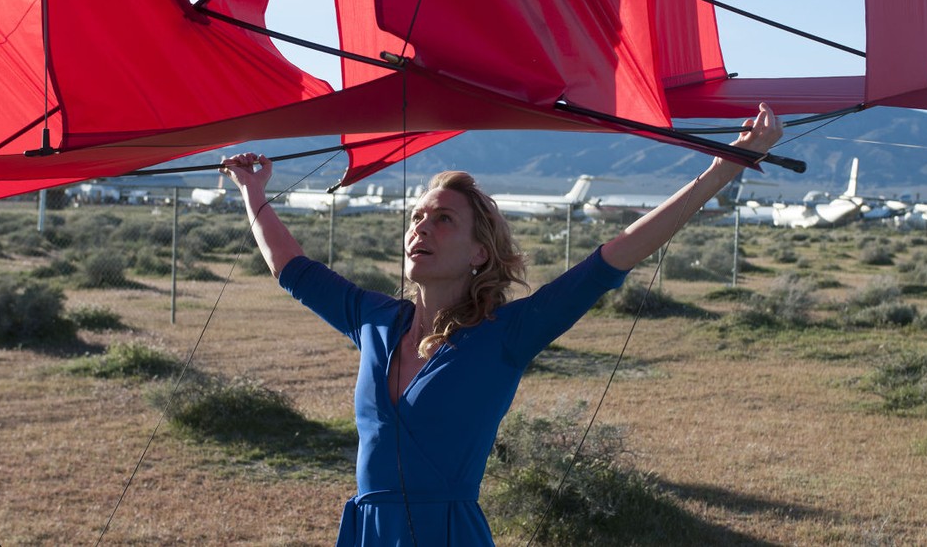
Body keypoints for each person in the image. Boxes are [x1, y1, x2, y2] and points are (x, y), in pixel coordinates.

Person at [221, 103, 782, 546]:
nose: (422, 228)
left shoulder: (505, 335)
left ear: (478, 254)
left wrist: (724, 166)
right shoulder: (374, 320)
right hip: (368, 531)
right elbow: (291, 269)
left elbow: (614, 256)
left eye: (444, 220)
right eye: (418, 217)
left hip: (448, 535)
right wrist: (254, 194)